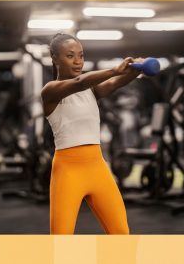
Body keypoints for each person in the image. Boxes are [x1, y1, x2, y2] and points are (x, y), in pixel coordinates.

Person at [41, 33, 142, 235]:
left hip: (97, 167)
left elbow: (115, 83)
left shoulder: (91, 90)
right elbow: (79, 82)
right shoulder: (50, 91)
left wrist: (136, 69)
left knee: (121, 233)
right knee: (61, 239)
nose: (78, 61)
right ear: (54, 58)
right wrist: (114, 69)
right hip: (68, 171)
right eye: (70, 56)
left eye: (81, 55)